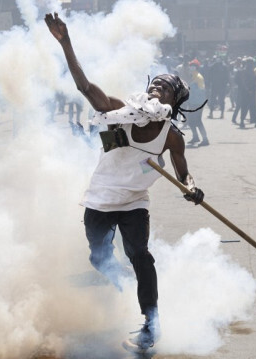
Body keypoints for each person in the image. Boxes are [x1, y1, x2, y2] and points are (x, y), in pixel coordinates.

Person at [45, 13, 205, 353]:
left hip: (134, 203)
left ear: (174, 101)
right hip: (99, 201)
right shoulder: (119, 112)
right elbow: (85, 89)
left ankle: (151, 323)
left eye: (165, 86)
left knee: (140, 256)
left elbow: (183, 173)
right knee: (99, 258)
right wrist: (66, 43)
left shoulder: (171, 136)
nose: (156, 87)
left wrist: (191, 187)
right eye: (154, 83)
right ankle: (121, 285)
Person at [186, 59, 210, 145]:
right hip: (193, 102)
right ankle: (195, 137)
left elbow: (201, 90)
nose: (191, 67)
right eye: (191, 66)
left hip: (197, 103)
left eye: (193, 66)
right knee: (190, 121)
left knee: (197, 121)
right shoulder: (193, 76)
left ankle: (205, 139)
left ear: (196, 67)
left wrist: (191, 89)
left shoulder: (198, 77)